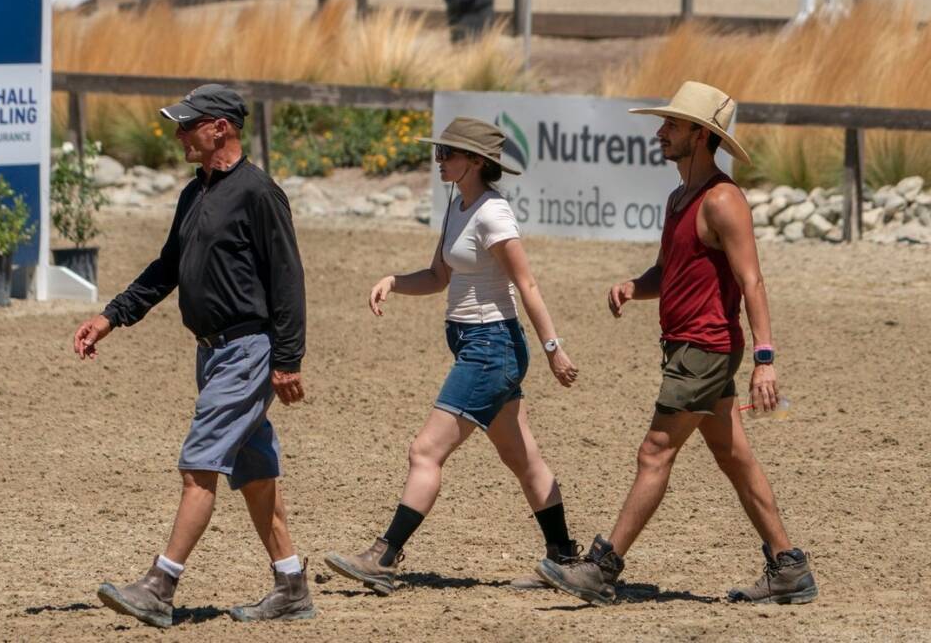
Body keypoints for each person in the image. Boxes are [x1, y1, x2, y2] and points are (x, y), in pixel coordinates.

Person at [536, 81, 818, 606]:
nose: (660, 132)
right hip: (688, 346)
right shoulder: (678, 198)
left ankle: (602, 568)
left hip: (704, 348)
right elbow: (668, 272)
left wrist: (765, 359)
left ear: (700, 134)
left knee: (654, 451)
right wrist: (634, 286)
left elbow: (752, 281)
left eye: (672, 124)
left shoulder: (723, 200)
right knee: (734, 457)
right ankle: (789, 568)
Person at [71, 84, 314, 627]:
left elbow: (288, 279)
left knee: (198, 466)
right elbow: (167, 269)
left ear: (220, 127)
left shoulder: (259, 193)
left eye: (187, 124)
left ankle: (160, 585)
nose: (178, 134)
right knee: (255, 473)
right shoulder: (194, 192)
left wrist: (288, 360)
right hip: (212, 355)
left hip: (247, 352)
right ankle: (292, 585)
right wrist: (111, 317)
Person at [323, 117, 581, 595]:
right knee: (522, 457)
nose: (439, 160)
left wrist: (553, 348)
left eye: (448, 153)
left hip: (491, 348)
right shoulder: (457, 205)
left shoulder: (493, 213)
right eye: (438, 152)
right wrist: (394, 281)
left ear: (476, 162)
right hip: (473, 343)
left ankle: (384, 555)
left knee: (425, 451)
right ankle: (564, 558)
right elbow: (439, 277)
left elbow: (526, 284)